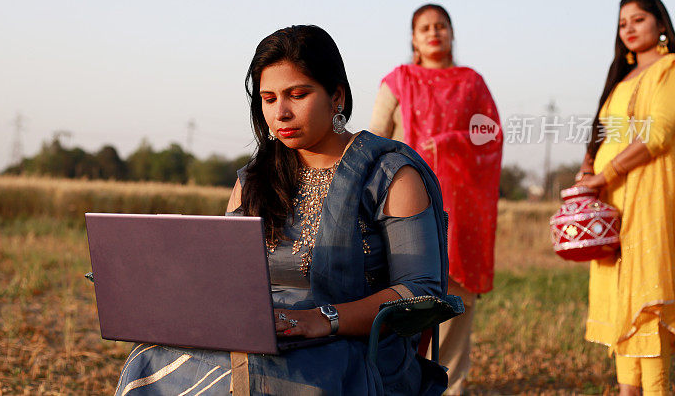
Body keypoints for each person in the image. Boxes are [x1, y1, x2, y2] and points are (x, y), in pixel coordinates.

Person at [114, 25, 451, 395]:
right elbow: (227, 277)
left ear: (336, 96)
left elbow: (421, 292)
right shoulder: (256, 179)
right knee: (151, 356)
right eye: (269, 98)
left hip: (353, 349)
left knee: (268, 374)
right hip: (263, 336)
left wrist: (321, 319)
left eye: (298, 94)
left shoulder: (390, 175)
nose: (281, 113)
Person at [370, 4, 502, 394]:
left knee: (457, 306)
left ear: (452, 33)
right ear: (413, 37)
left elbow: (489, 135)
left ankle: (452, 387)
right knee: (407, 300)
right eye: (425, 27)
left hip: (463, 211)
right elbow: (376, 139)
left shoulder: (471, 82)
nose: (434, 32)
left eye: (441, 25)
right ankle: (401, 382)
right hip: (408, 210)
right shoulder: (399, 80)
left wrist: (448, 142)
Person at [575, 0, 675, 395]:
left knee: (648, 293)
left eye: (638, 19)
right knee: (621, 294)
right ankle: (627, 390)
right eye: (623, 21)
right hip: (612, 198)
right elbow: (604, 132)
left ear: (661, 25)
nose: (628, 27)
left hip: (652, 193)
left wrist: (605, 173)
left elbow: (658, 134)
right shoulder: (619, 80)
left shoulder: (674, 69)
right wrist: (587, 168)